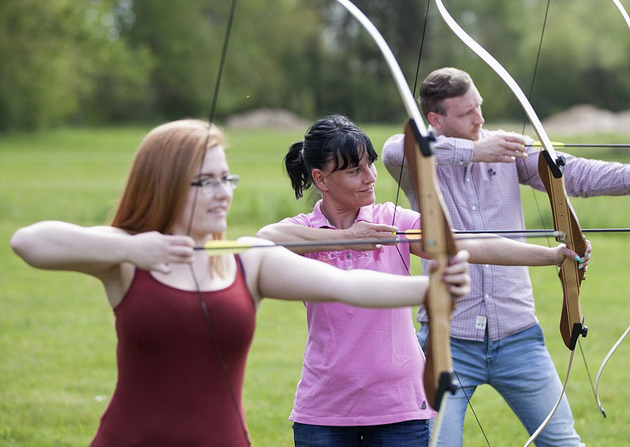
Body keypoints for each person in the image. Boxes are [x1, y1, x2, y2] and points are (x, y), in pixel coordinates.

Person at [9, 118, 473, 447]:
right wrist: (133, 248)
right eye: (205, 182)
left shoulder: (247, 260)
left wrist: (431, 288)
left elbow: (347, 286)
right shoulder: (128, 262)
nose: (223, 192)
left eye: (226, 178)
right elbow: (29, 242)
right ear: (166, 183)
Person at [381, 67, 630, 447]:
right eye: (467, 113)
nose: (481, 119)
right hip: (448, 339)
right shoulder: (418, 162)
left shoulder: (507, 150)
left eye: (480, 106)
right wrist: (474, 151)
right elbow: (394, 147)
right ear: (435, 120)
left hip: (518, 336)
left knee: (562, 443)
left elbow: (570, 172)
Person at [256, 115, 589, 447]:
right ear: (321, 179)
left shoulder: (393, 221)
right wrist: (345, 238)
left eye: (369, 165)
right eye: (354, 170)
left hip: (400, 407)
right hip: (324, 410)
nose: (371, 177)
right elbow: (264, 239)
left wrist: (550, 255)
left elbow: (467, 243)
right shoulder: (306, 230)